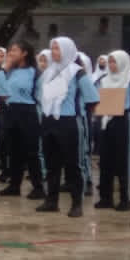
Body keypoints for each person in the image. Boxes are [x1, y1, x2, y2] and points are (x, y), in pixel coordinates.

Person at [37, 36, 97, 218]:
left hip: (69, 122)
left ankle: (76, 203)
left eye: (57, 49)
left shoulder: (77, 73)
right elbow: (42, 96)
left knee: (73, 164)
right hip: (49, 120)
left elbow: (92, 99)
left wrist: (77, 112)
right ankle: (51, 201)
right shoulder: (48, 72)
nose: (54, 52)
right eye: (52, 48)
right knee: (51, 164)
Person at [0, 41, 44, 198]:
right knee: (14, 151)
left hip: (27, 112)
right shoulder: (7, 71)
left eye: (14, 50)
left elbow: (40, 94)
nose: (10, 53)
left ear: (24, 53)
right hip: (10, 111)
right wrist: (6, 66)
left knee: (31, 151)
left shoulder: (33, 72)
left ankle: (38, 187)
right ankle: (14, 185)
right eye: (9, 50)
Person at [93, 50, 130, 212]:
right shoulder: (103, 80)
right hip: (105, 121)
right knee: (106, 160)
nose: (111, 65)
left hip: (123, 120)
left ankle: (126, 199)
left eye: (114, 62)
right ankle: (105, 197)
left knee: (123, 160)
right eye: (109, 61)